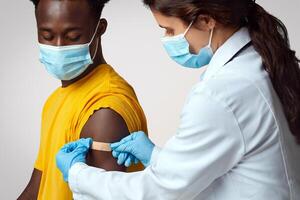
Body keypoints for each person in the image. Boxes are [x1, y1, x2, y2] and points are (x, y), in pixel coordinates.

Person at [56, 0, 300, 199]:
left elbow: (157, 192)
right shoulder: (258, 61)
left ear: (206, 20)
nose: (167, 38)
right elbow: (229, 160)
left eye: (169, 29)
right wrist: (156, 157)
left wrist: (78, 174)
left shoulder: (221, 94)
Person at [18, 0, 148, 199]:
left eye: (72, 37)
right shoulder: (55, 100)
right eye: (47, 36)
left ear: (99, 29)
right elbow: (38, 186)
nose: (59, 47)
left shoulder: (105, 111)